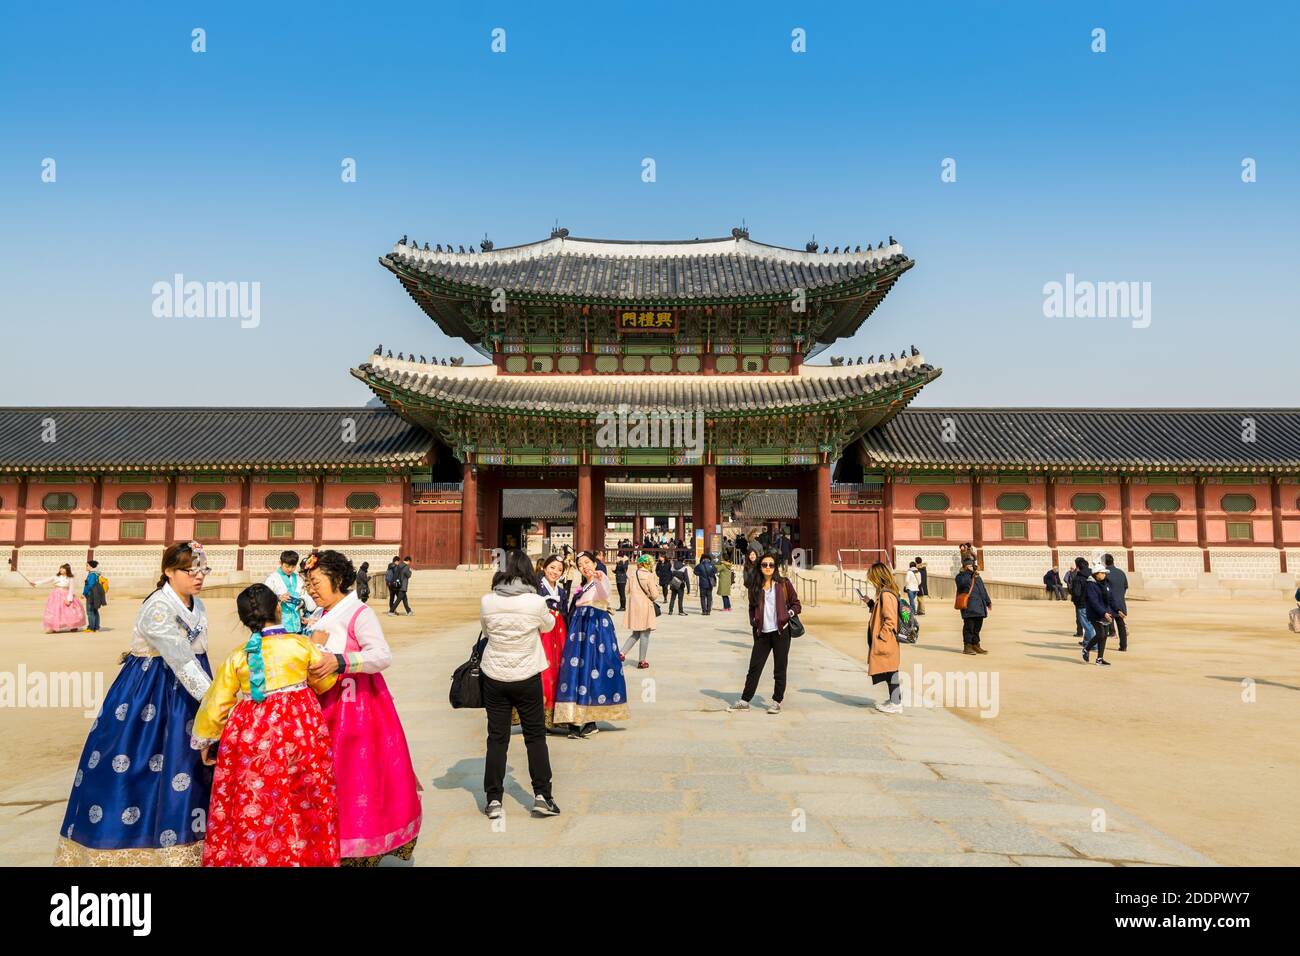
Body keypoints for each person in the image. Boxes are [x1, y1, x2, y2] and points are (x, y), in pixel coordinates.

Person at [55, 542, 214, 866]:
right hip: (150, 695)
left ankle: (185, 847)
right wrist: (217, 702)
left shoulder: (197, 604)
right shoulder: (158, 608)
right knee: (136, 766)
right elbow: (181, 662)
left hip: (188, 693)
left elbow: (195, 659)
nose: (198, 577)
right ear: (169, 571)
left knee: (185, 765)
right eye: (190, 570)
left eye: (202, 570)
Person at [192, 583, 340, 866]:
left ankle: (255, 855)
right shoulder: (301, 644)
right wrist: (319, 645)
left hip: (251, 733)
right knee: (304, 796)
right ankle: (304, 856)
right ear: (277, 609)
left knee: (256, 799)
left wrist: (206, 739)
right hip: (299, 731)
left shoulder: (238, 656)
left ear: (244, 619)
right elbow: (324, 682)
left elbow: (217, 701)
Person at [304, 550, 421, 865]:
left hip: (355, 711)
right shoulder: (319, 616)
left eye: (316, 582)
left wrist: (341, 661)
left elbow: (381, 655)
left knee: (356, 779)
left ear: (339, 580)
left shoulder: (358, 612)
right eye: (308, 584)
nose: (311, 589)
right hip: (322, 709)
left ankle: (359, 846)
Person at [479, 551, 562, 819]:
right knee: (535, 736)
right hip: (527, 675)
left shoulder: (488, 601)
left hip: (494, 676)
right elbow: (548, 626)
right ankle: (542, 796)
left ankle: (493, 800)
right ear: (528, 571)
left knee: (497, 738)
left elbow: (487, 631)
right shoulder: (536, 602)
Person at [553, 551, 629, 738]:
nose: (584, 566)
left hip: (595, 630)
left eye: (587, 562)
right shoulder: (580, 587)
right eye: (580, 564)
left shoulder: (600, 577)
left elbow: (603, 595)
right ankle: (574, 717)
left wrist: (596, 579)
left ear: (594, 563)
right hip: (579, 631)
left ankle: (589, 720)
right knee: (575, 672)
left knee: (592, 669)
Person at [729, 550, 802, 715]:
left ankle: (777, 701)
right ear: (760, 567)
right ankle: (745, 700)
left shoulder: (783, 584)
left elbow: (797, 605)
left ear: (775, 567)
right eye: (764, 565)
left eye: (771, 565)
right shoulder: (755, 586)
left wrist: (786, 614)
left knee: (780, 668)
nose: (768, 567)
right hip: (763, 633)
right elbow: (751, 607)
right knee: (754, 667)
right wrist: (753, 622)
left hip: (781, 632)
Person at [865, 562, 904, 714]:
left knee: (891, 670)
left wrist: (882, 636)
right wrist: (870, 603)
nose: (871, 581)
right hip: (887, 640)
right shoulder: (887, 593)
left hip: (886, 639)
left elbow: (890, 619)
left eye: (872, 578)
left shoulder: (886, 595)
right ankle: (894, 700)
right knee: (889, 669)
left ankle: (896, 703)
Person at [536, 554, 570, 727]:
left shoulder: (562, 592)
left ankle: (557, 714)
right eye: (552, 568)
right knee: (544, 671)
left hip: (560, 632)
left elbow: (564, 612)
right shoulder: (536, 588)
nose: (555, 572)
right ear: (544, 568)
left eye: (559, 569)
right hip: (543, 632)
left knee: (559, 669)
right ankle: (540, 715)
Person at [622, 554, 661, 669]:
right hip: (645, 606)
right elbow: (654, 595)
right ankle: (642, 660)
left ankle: (622, 653)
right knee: (645, 633)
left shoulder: (632, 574)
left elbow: (626, 590)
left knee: (635, 633)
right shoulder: (649, 575)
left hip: (634, 606)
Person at [264, 549, 315, 634]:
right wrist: (279, 598)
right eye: (287, 566)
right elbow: (264, 597)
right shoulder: (272, 578)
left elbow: (306, 596)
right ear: (280, 563)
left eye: (293, 566)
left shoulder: (299, 578)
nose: (290, 569)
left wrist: (301, 602)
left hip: (296, 621)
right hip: (280, 620)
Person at [34, 563, 86, 633]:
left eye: (63, 568)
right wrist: (35, 583)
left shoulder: (70, 578)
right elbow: (46, 581)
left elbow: (71, 589)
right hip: (56, 595)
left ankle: (73, 626)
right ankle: (54, 627)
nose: (61, 569)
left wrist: (69, 599)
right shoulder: (56, 577)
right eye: (60, 568)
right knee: (55, 610)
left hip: (66, 594)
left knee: (70, 611)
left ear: (67, 570)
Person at [955, 558, 991, 655]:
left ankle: (976, 645)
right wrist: (969, 573)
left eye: (972, 565)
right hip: (969, 606)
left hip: (979, 606)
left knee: (977, 628)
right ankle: (967, 646)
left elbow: (982, 589)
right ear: (965, 566)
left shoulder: (977, 576)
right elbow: (963, 585)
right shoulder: (960, 576)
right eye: (970, 565)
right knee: (969, 627)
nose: (972, 567)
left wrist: (988, 601)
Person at [1082, 564, 1115, 666]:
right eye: (1102, 573)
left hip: (1105, 612)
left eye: (1105, 573)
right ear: (1096, 574)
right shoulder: (1091, 585)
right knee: (1101, 634)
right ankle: (1086, 649)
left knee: (1104, 636)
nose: (1104, 574)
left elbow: (1111, 598)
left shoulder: (1105, 583)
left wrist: (1117, 609)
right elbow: (1093, 601)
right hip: (1095, 613)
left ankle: (1099, 659)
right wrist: (1103, 612)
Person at [1103, 554, 1130, 651]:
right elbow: (1126, 586)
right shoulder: (1121, 572)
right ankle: (1123, 646)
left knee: (1105, 624)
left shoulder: (1105, 574)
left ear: (1104, 562)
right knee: (1121, 624)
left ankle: (1101, 646)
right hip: (1120, 601)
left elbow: (1103, 589)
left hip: (1109, 603)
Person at [1069, 557, 1094, 646]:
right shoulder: (1093, 575)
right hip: (1093, 603)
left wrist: (1075, 599)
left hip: (1082, 604)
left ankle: (1093, 644)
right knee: (1090, 624)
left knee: (1087, 625)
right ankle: (1087, 641)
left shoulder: (1078, 578)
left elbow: (1076, 593)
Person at [82, 560, 107, 632]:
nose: (86, 567)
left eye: (87, 565)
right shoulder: (96, 574)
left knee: (90, 611)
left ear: (91, 566)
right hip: (95, 595)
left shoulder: (92, 575)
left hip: (91, 595)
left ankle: (91, 627)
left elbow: (89, 585)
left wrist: (84, 593)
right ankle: (96, 626)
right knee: (95, 610)